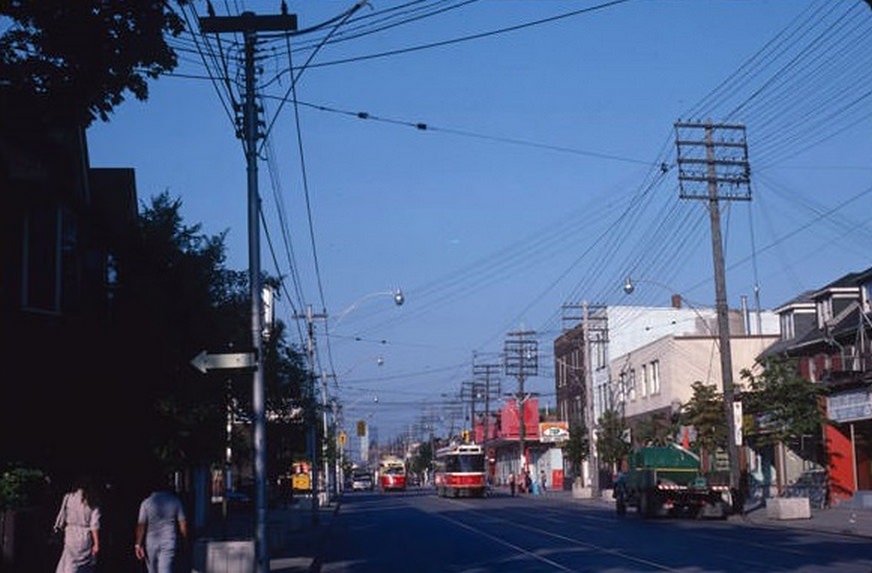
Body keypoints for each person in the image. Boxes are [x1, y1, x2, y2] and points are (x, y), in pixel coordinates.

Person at [134, 478, 188, 573]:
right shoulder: (175, 501)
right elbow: (183, 524)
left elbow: (141, 525)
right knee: (166, 569)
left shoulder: (146, 503)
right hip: (169, 540)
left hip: (151, 542)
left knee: (152, 570)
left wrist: (138, 544)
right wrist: (184, 540)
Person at [54, 475, 101, 573]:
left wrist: (58, 529)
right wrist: (96, 543)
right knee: (84, 566)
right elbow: (94, 525)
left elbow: (62, 516)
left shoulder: (69, 497)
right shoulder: (93, 501)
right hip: (85, 536)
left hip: (71, 534)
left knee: (69, 562)